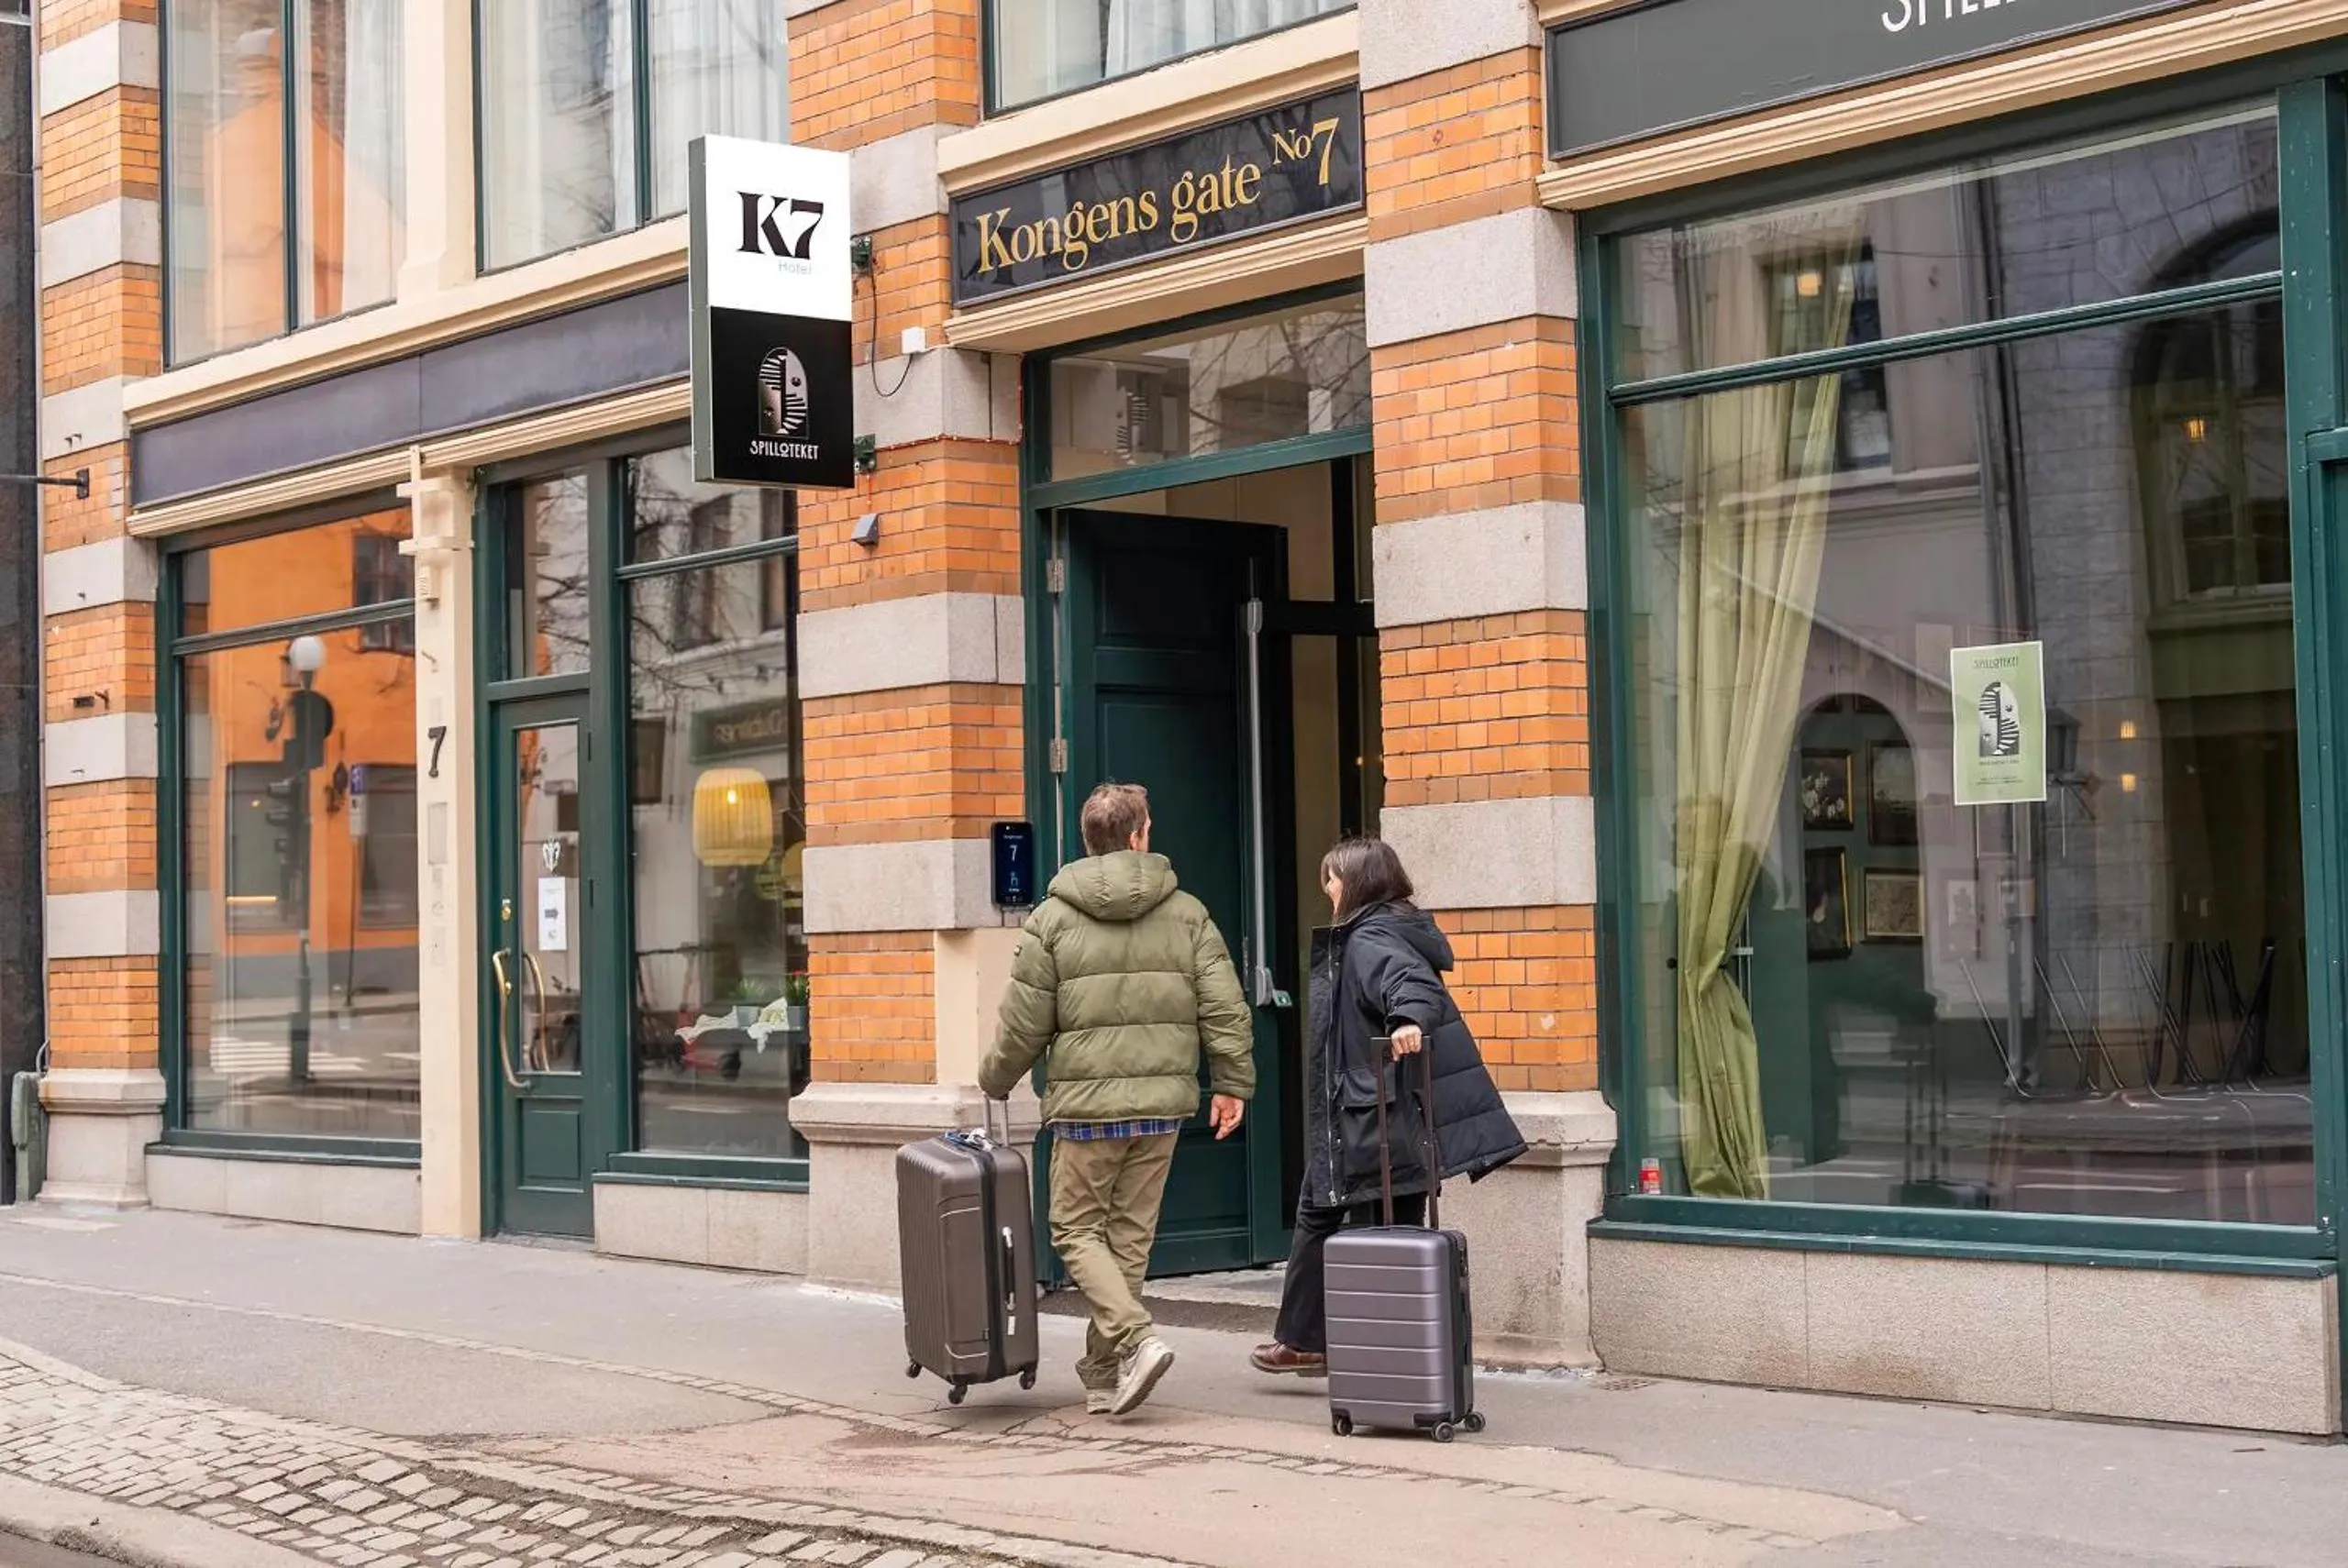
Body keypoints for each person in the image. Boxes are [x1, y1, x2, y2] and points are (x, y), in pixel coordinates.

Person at [980, 781, 1255, 1417]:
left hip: (1085, 1110)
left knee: (1074, 1229)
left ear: (1092, 840)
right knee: (1128, 1238)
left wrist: (995, 1078)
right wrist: (1233, 1083)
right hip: (1161, 1104)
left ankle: (1134, 1339)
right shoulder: (1187, 913)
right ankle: (1105, 1376)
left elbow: (1023, 1023)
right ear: (1138, 837)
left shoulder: (1050, 919)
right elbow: (1224, 1007)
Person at [1251, 836, 1525, 1377]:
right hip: (1375, 1112)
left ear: (1354, 883)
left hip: (1376, 1118)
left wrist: (1407, 1021)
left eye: (1331, 879)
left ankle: (1367, 1353)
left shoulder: (1372, 937)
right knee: (1350, 1216)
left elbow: (1412, 987)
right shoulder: (1390, 927)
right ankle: (1340, 1344)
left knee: (1356, 1220)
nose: (1326, 890)